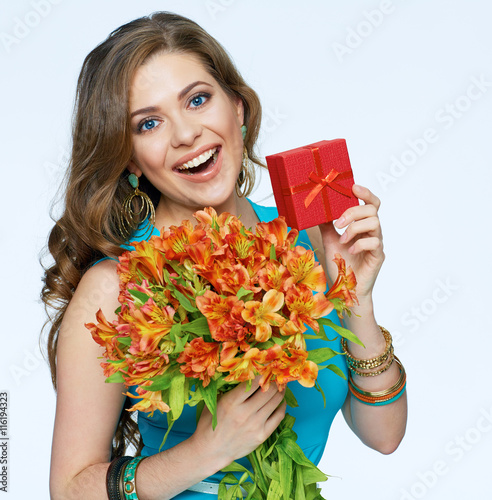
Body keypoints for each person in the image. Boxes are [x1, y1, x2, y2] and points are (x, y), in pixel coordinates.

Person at [41, 11, 407, 500]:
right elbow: (68, 490)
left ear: (237, 107)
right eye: (149, 123)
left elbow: (385, 436)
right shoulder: (116, 286)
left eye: (198, 99)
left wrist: (355, 298)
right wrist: (203, 454)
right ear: (129, 157)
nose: (186, 134)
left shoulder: (309, 241)